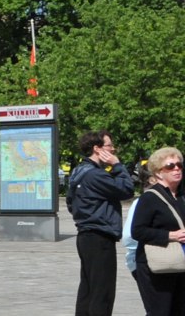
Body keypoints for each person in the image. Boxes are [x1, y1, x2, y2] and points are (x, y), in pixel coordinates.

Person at [70, 130, 137, 316]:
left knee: (88, 288)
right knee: (103, 291)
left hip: (85, 234)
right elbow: (126, 189)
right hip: (100, 236)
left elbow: (70, 202)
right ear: (97, 149)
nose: (113, 149)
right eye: (109, 145)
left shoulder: (78, 171)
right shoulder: (96, 175)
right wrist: (117, 166)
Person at [130, 147, 185, 315]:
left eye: (179, 165)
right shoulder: (150, 198)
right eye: (170, 166)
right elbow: (137, 231)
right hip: (157, 266)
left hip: (180, 264)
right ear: (159, 173)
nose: (176, 168)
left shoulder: (180, 196)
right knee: (160, 311)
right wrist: (170, 235)